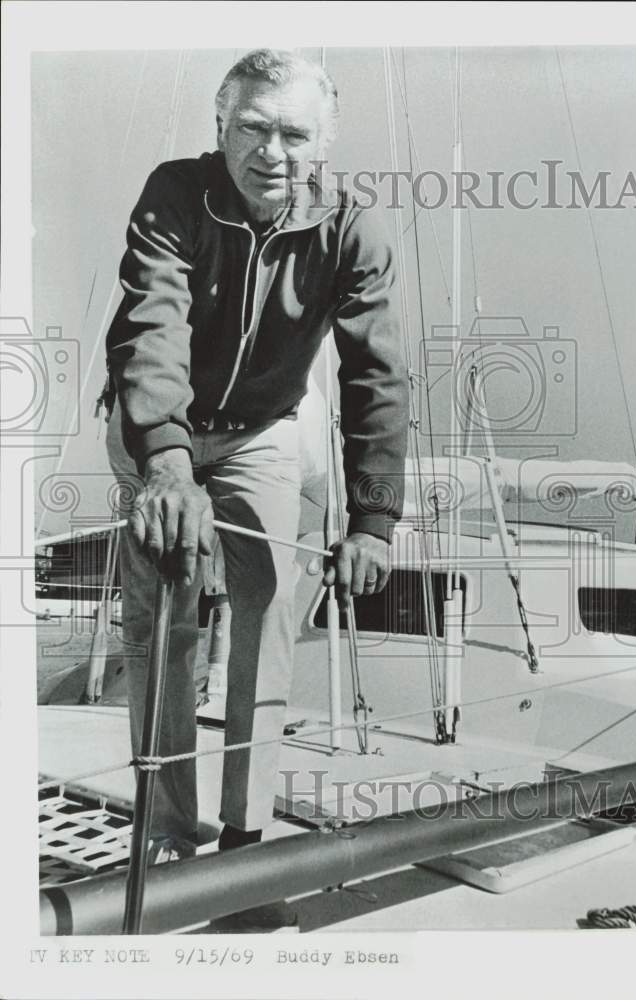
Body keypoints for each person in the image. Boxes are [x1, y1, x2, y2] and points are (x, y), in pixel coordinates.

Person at [104, 49, 409, 913]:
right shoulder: (175, 193)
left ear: (326, 144)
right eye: (252, 127)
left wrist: (375, 521)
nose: (271, 151)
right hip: (152, 428)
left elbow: (376, 376)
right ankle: (166, 829)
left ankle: (245, 840)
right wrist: (166, 463)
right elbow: (150, 326)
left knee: (271, 600)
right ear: (221, 127)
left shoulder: (353, 228)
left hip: (259, 433)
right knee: (165, 605)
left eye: (294, 133)